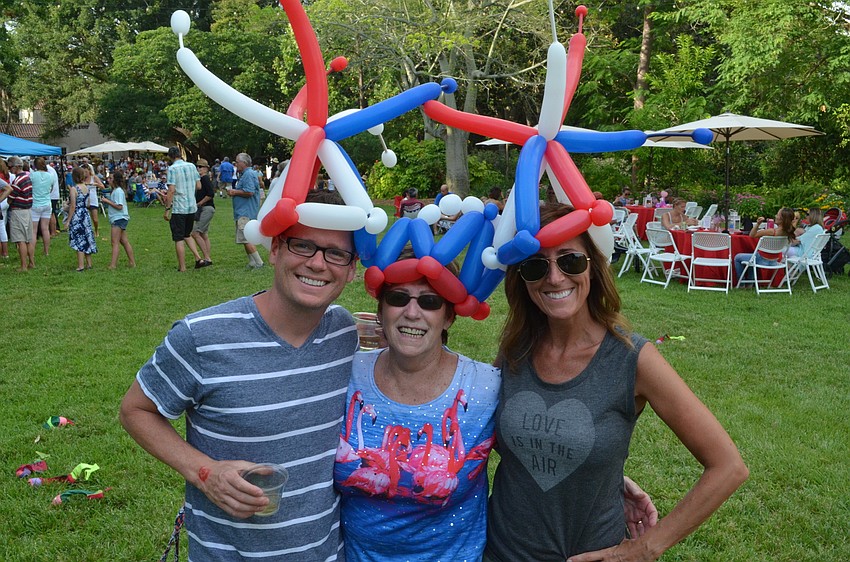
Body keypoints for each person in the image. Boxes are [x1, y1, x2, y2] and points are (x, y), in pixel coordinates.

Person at [335, 249, 658, 561]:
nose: (412, 312)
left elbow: (533, 440)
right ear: (380, 311)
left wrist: (601, 476)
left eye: (430, 301)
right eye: (397, 298)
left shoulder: (487, 386)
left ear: (449, 316)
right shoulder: (343, 376)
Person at [486, 203, 748, 561]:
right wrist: (591, 469)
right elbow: (503, 439)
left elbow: (728, 467)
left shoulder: (632, 358)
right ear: (522, 279)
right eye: (535, 265)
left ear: (593, 267)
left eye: (570, 260)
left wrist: (643, 549)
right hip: (501, 551)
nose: (555, 278)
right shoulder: (515, 349)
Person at [120, 190, 358, 560]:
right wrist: (205, 472)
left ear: (352, 268)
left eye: (336, 253)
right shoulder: (202, 336)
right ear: (275, 248)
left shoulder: (346, 334)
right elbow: (136, 410)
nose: (317, 263)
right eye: (303, 246)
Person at [163, 146, 203, 272]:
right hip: (191, 206)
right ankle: (198, 258)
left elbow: (171, 190)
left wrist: (167, 208)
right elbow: (199, 185)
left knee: (178, 237)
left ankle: (183, 266)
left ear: (170, 157)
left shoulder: (172, 169)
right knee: (187, 234)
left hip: (179, 207)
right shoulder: (191, 166)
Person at [733, 206, 797, 281]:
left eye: (777, 215)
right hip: (774, 261)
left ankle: (742, 282)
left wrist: (758, 224)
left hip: (762, 260)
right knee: (752, 257)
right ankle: (750, 282)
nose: (775, 216)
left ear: (782, 219)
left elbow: (752, 235)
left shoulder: (772, 231)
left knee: (737, 257)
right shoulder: (788, 232)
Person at [228, 152, 264, 269]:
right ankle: (252, 261)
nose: (236, 164)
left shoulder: (248, 174)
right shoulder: (246, 174)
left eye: (237, 162)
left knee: (246, 237)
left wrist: (234, 192)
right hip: (244, 211)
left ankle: (259, 262)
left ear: (244, 163)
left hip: (246, 212)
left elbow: (249, 192)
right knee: (244, 237)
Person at [0, 156, 35, 271]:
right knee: (28, 238)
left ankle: (23, 266)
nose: (9, 169)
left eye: (10, 167)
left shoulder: (17, 180)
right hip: (28, 210)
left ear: (16, 167)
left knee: (20, 240)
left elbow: (10, 198)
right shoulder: (27, 178)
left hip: (18, 211)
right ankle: (31, 263)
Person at [100, 170, 136, 269]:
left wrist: (107, 201)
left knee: (114, 242)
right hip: (120, 218)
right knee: (124, 241)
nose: (108, 180)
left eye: (110, 178)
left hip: (118, 218)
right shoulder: (115, 191)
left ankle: (113, 265)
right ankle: (132, 262)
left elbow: (119, 206)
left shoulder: (118, 191)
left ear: (115, 180)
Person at [65, 166, 98, 271]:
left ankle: (80, 265)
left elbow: (73, 206)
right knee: (87, 237)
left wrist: (68, 220)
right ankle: (89, 263)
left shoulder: (74, 189)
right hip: (85, 214)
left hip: (77, 216)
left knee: (79, 239)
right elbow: (88, 203)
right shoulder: (86, 188)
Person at [191, 158, 215, 268]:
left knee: (195, 233)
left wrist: (199, 203)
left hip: (207, 208)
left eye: (200, 167)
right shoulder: (201, 179)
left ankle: (207, 258)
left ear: (206, 168)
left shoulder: (205, 178)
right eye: (197, 166)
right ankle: (207, 257)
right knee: (204, 234)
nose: (198, 168)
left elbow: (210, 194)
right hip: (205, 208)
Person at [29, 157, 54, 259]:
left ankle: (32, 253)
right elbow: (51, 189)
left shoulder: (33, 176)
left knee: (33, 231)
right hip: (47, 203)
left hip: (35, 204)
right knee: (45, 229)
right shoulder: (50, 176)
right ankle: (46, 251)